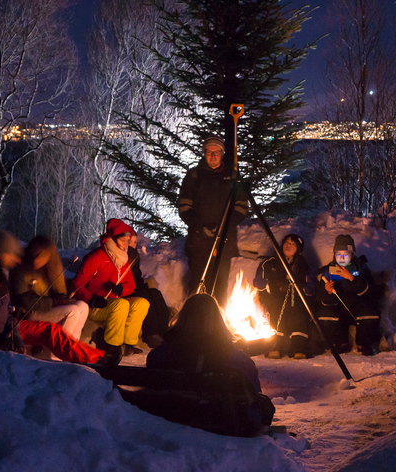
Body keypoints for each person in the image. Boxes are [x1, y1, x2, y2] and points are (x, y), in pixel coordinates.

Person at [0, 232, 103, 364]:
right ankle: (74, 360)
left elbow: (7, 317)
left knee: (67, 318)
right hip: (21, 319)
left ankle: (92, 358)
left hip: (15, 324)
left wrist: (15, 339)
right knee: (69, 313)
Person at [146, 293, 274, 427]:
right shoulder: (236, 358)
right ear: (218, 319)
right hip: (220, 420)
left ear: (183, 316)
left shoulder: (159, 354)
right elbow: (254, 394)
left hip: (171, 415)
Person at [178, 136, 249, 307]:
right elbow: (184, 207)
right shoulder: (194, 176)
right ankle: (195, 322)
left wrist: (224, 227)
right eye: (209, 152)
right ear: (204, 153)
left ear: (222, 153)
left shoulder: (233, 176)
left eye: (216, 152)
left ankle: (219, 322)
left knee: (220, 284)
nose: (213, 155)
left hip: (224, 242)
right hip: (198, 241)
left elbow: (241, 207)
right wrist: (200, 228)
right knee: (197, 283)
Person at [69, 218, 149, 363]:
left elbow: (131, 283)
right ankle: (112, 347)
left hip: (112, 302)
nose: (127, 244)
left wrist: (122, 288)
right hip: (95, 305)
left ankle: (128, 342)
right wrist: (91, 299)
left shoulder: (123, 259)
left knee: (142, 303)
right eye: (124, 240)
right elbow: (77, 283)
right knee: (121, 305)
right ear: (114, 239)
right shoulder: (97, 257)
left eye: (128, 240)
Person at [9, 235, 89, 344]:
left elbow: (56, 291)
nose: (37, 260)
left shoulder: (50, 269)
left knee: (83, 306)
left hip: (46, 307)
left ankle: (74, 346)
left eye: (42, 257)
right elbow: (24, 300)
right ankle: (60, 351)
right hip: (29, 311)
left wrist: (61, 297)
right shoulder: (21, 268)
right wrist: (53, 301)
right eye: (35, 255)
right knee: (72, 311)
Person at [315, 234, 380, 356]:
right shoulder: (328, 271)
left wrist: (351, 278)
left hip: (357, 306)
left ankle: (363, 344)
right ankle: (340, 343)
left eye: (346, 255)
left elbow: (369, 292)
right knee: (325, 315)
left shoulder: (360, 268)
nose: (342, 258)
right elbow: (322, 300)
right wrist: (328, 292)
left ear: (352, 255)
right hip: (338, 307)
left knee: (370, 314)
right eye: (338, 254)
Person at [253, 233, 312, 359]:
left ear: (298, 249)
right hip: (273, 298)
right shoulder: (269, 263)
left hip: (294, 299)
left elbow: (311, 288)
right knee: (275, 309)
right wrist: (274, 286)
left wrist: (298, 288)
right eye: (287, 243)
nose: (288, 246)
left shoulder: (303, 266)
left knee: (297, 312)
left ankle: (298, 347)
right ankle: (274, 346)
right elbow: (258, 282)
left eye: (293, 244)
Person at [127, 231, 171, 348]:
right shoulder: (123, 255)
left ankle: (164, 331)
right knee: (143, 296)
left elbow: (136, 276)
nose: (133, 245)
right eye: (130, 242)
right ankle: (151, 334)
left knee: (155, 293)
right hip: (125, 289)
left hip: (135, 286)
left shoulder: (133, 255)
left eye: (135, 242)